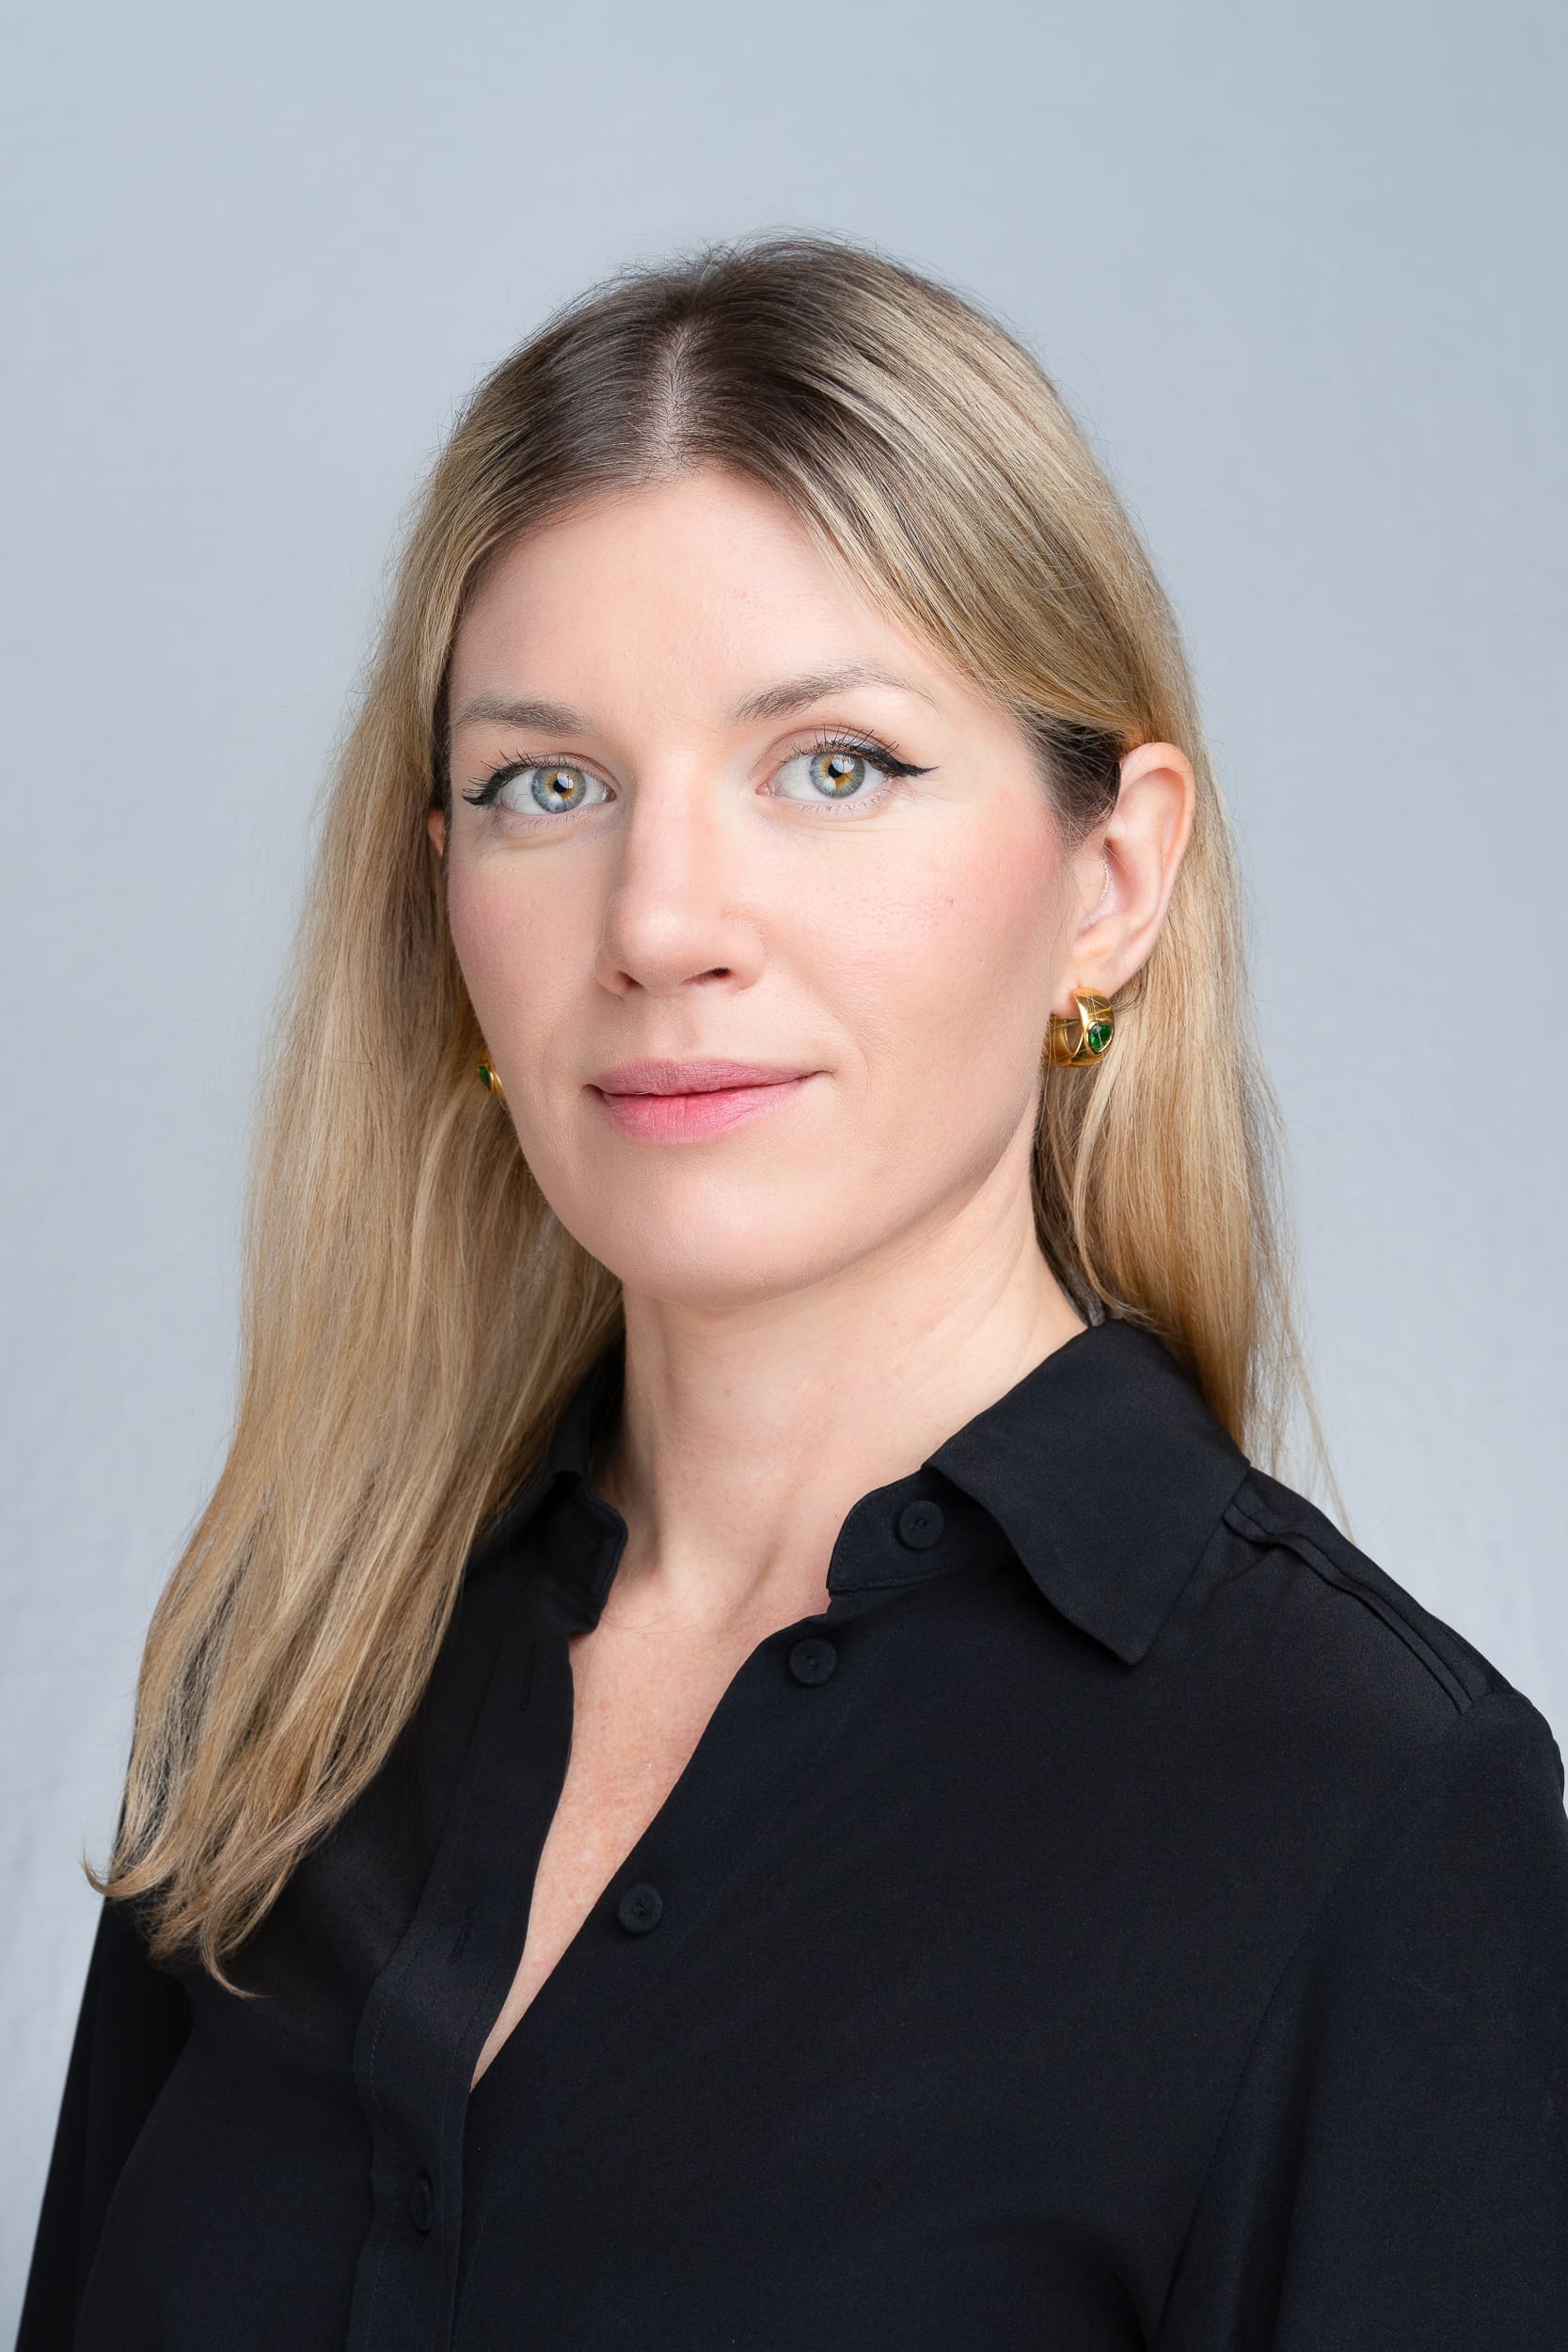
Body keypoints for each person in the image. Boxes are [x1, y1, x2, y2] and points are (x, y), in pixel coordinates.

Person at [16, 230, 1568, 2352]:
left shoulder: (1367, 1800)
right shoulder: (294, 1680)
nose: (659, 921)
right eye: (546, 785)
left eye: (831, 764)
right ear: (444, 898)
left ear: (1111, 880)